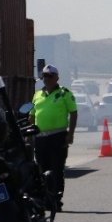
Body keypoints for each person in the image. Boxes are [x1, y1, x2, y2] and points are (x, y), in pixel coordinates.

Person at [30, 64, 78, 210]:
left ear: (57, 78)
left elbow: (73, 113)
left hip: (58, 137)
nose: (47, 79)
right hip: (40, 138)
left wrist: (70, 134)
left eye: (50, 76)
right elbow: (32, 115)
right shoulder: (37, 94)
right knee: (41, 169)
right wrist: (29, 134)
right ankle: (45, 199)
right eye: (45, 76)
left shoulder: (64, 93)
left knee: (56, 169)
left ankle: (56, 199)